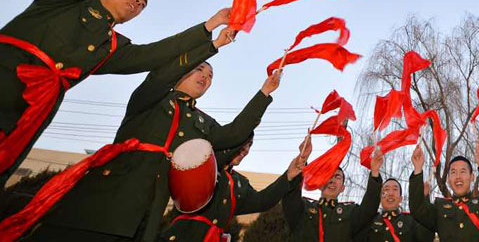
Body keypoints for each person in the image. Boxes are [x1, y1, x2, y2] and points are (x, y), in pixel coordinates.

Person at [0, 0, 213, 185]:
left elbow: (154, 54)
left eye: (143, 5)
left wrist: (209, 28)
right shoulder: (63, 0)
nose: (138, 4)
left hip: (28, 115)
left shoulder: (110, 47)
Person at [22, 35, 279, 241]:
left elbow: (235, 133)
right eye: (199, 69)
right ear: (183, 69)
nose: (205, 77)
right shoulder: (153, 96)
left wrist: (264, 93)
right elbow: (159, 77)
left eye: (210, 76)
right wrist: (211, 46)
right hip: (102, 197)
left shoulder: (204, 123)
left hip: (146, 212)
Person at [160, 134, 309, 241]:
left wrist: (289, 174)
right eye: (243, 143)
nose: (246, 150)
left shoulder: (239, 182)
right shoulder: (204, 164)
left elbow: (262, 201)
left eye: (249, 145)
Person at [409, 142, 479, 242]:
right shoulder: (440, 207)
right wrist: (417, 169)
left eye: (463, 171)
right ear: (448, 179)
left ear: (472, 177)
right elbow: (417, 209)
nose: (458, 176)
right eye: (453, 172)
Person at [282, 150, 384, 242]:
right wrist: (301, 163)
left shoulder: (351, 212)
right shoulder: (304, 207)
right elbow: (290, 199)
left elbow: (369, 209)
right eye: (328, 176)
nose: (332, 180)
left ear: (342, 188)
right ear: (319, 184)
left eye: (337, 177)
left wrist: (374, 173)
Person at [357, 176, 434, 242]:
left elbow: (427, 237)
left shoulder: (411, 221)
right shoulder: (370, 221)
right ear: (380, 198)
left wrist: (424, 198)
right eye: (386, 189)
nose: (390, 193)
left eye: (395, 189)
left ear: (401, 199)